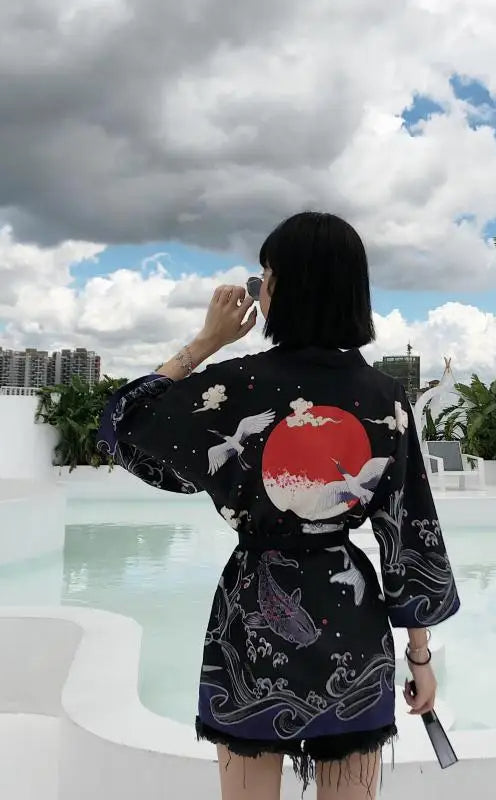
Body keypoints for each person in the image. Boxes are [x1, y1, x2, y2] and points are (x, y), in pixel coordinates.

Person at [97, 212, 461, 800]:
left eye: (262, 276)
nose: (256, 289)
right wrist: (419, 658)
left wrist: (206, 342)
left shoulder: (235, 386)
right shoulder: (384, 397)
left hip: (251, 619)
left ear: (285, 287)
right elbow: (408, 536)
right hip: (351, 629)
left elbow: (123, 424)